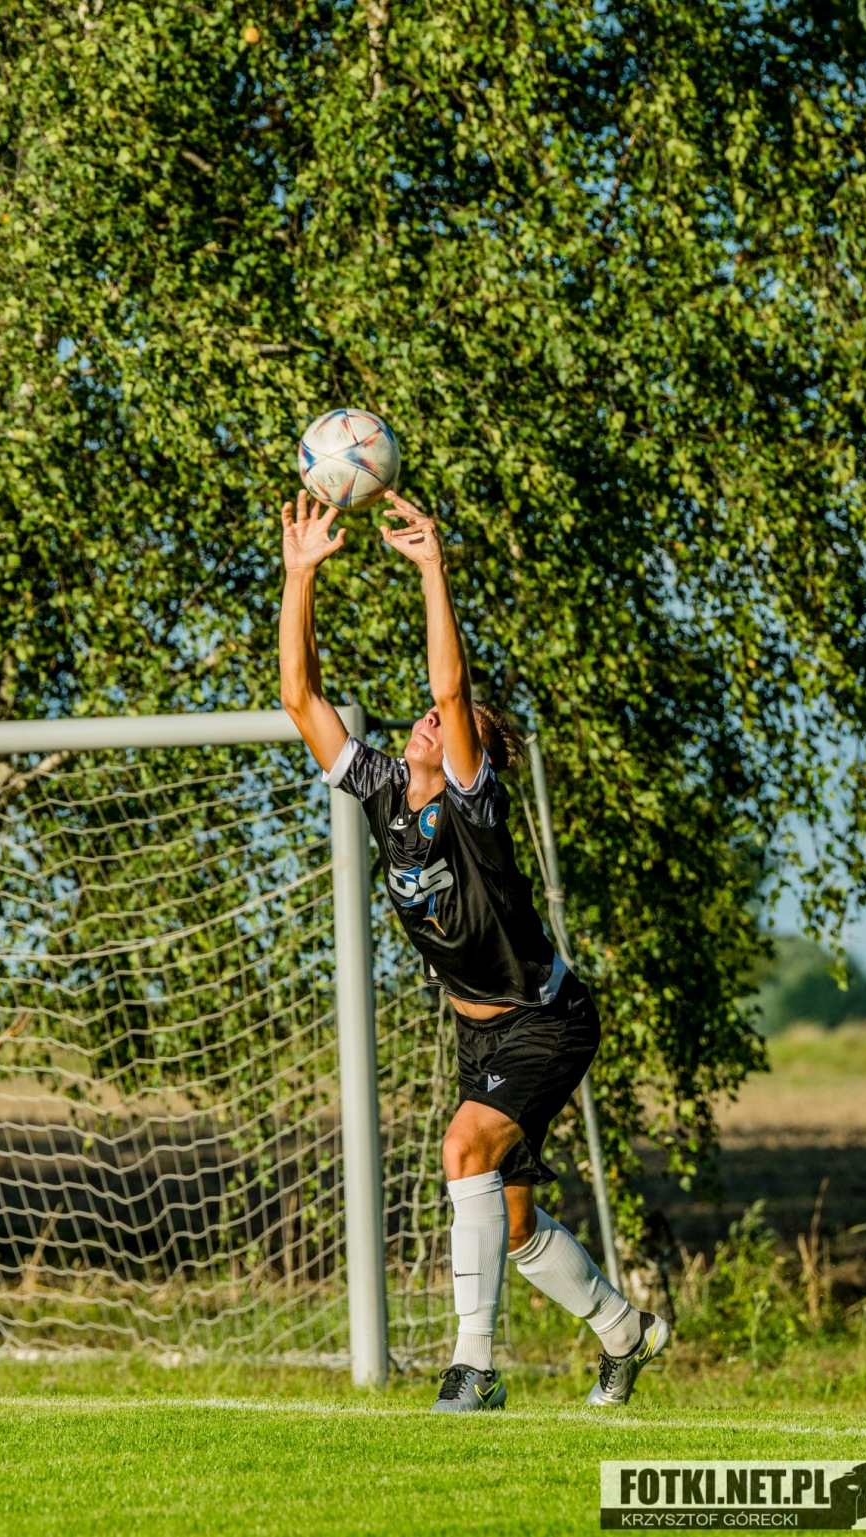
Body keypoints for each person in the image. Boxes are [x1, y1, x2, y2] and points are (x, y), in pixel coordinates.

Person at [278, 485, 669, 1412]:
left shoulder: (473, 808)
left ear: (473, 759)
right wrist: (300, 577)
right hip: (479, 1032)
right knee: (516, 1220)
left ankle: (474, 1368)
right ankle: (625, 1331)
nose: (430, 717)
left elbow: (453, 690)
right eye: (424, 716)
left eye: (453, 728)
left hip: (546, 1018)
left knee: (463, 1147)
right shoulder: (381, 791)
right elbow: (300, 697)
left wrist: (432, 568)